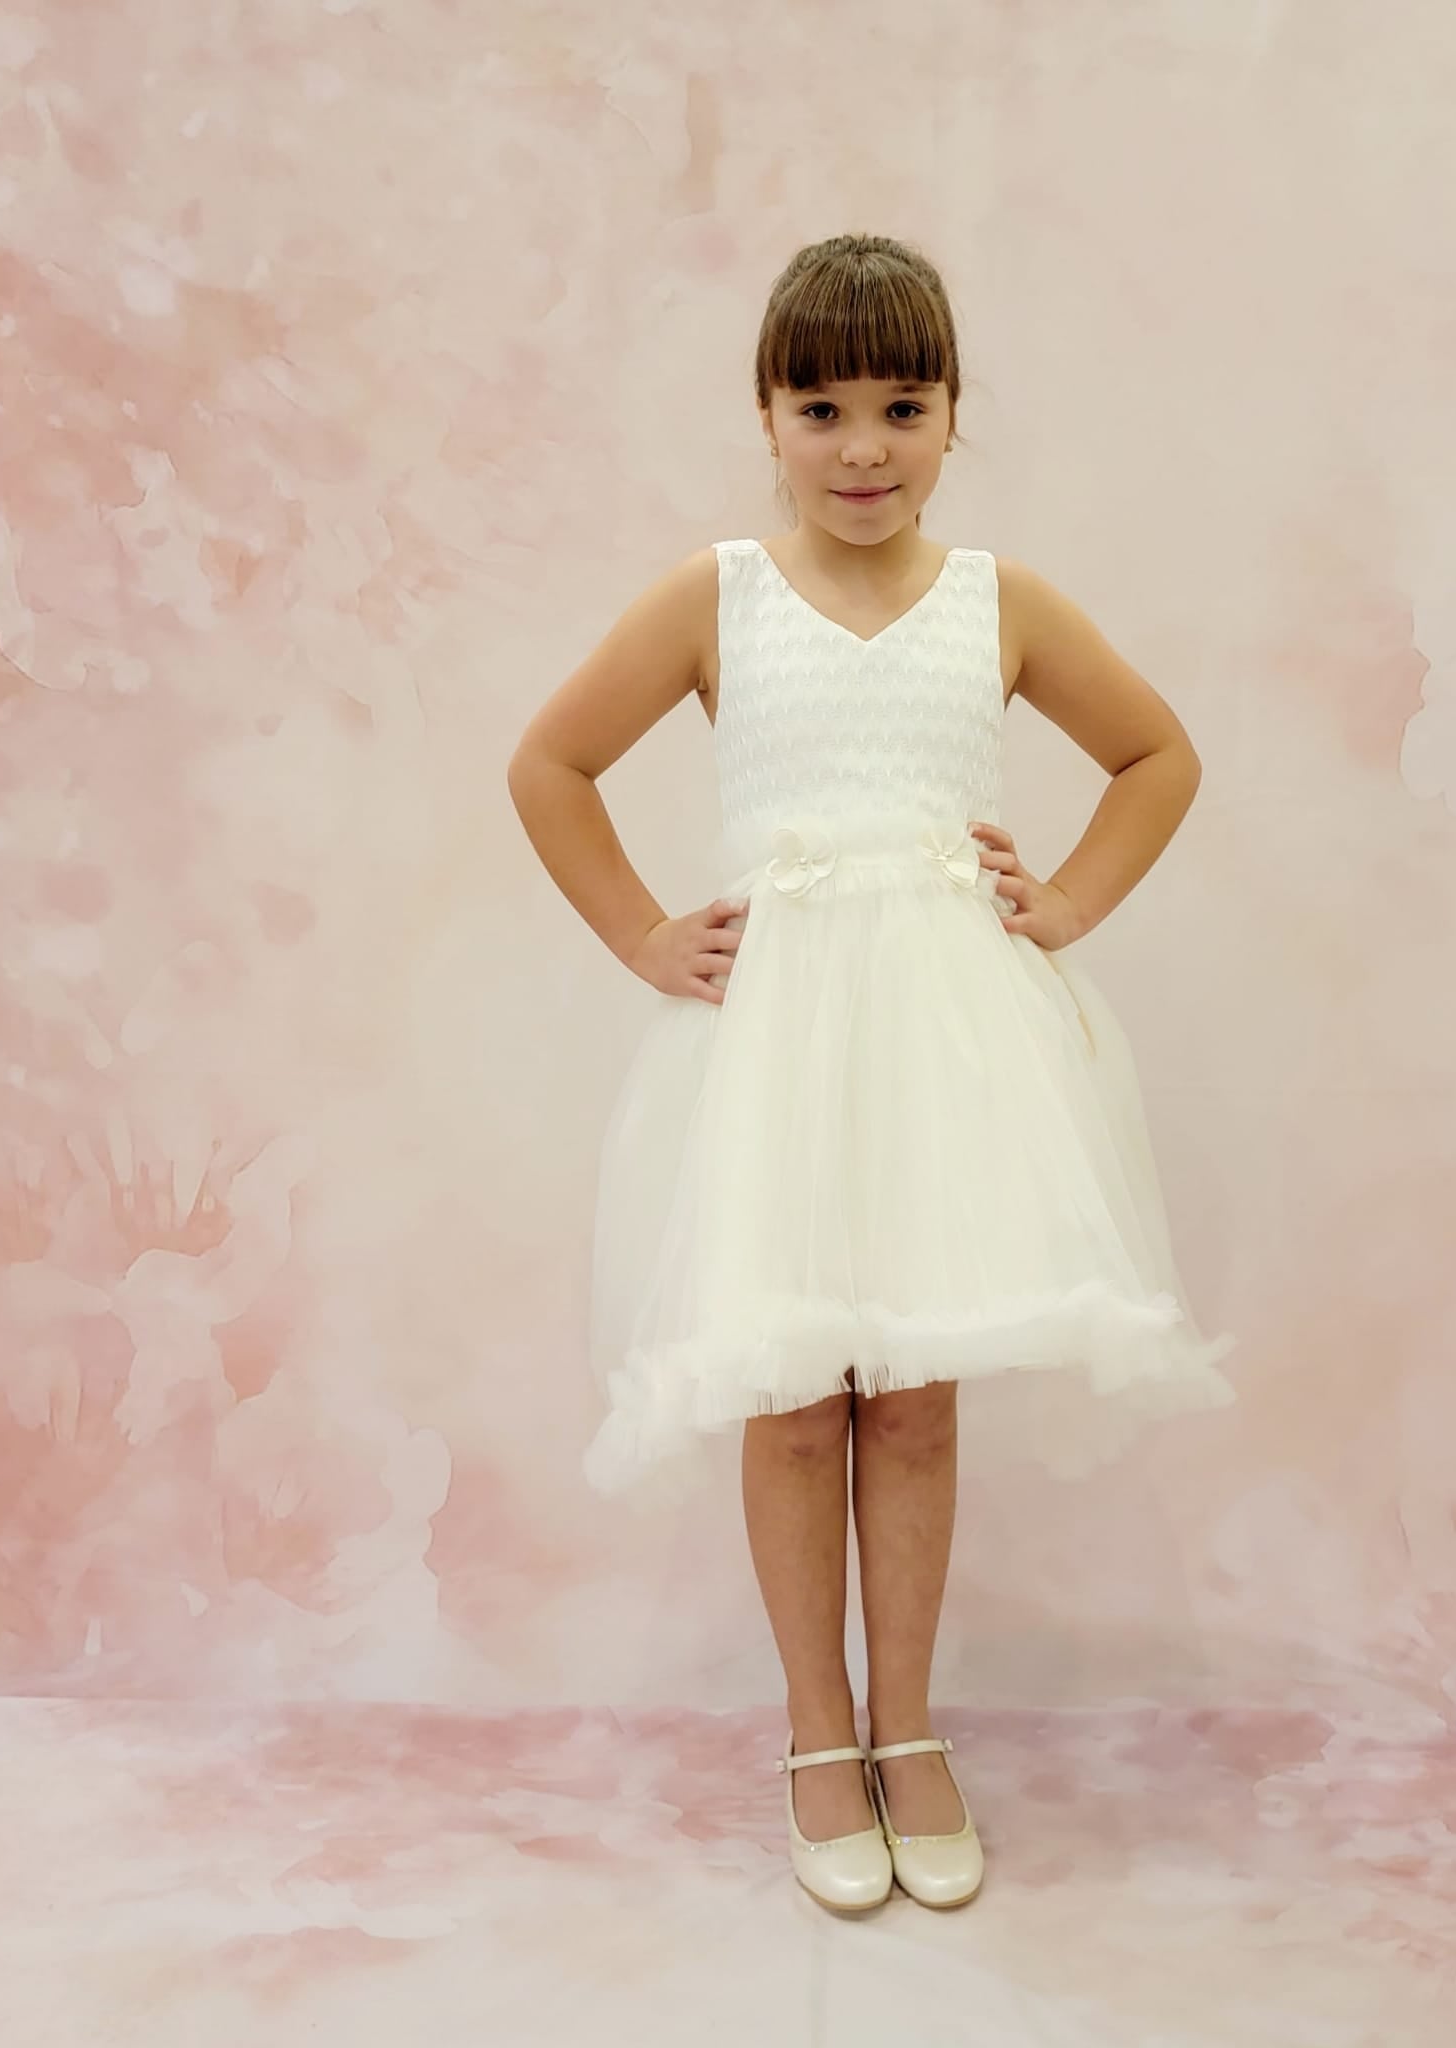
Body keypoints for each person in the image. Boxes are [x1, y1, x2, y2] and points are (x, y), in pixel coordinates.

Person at [505, 232, 1235, 1917]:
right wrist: (640, 934)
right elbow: (551, 762)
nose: (862, 448)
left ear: (955, 415)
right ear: (766, 417)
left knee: (910, 1394)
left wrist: (1067, 904)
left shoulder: (999, 603)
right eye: (821, 408)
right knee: (791, 1394)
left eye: (903, 407)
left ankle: (908, 1727)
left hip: (943, 1052)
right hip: (776, 1054)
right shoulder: (717, 601)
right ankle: (816, 1733)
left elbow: (1156, 754)